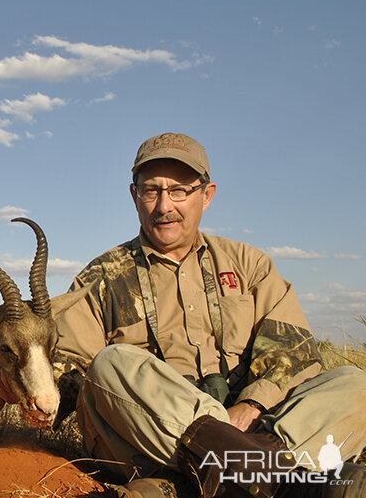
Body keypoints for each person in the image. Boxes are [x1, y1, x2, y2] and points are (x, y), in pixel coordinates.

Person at [53, 133, 366, 498]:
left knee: (355, 383)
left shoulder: (250, 265)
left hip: (253, 423)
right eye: (151, 191)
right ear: (134, 195)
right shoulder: (100, 277)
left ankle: (189, 486)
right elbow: (68, 371)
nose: (164, 206)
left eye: (180, 191)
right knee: (111, 364)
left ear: (207, 194)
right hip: (155, 440)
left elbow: (293, 352)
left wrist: (250, 407)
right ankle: (282, 484)